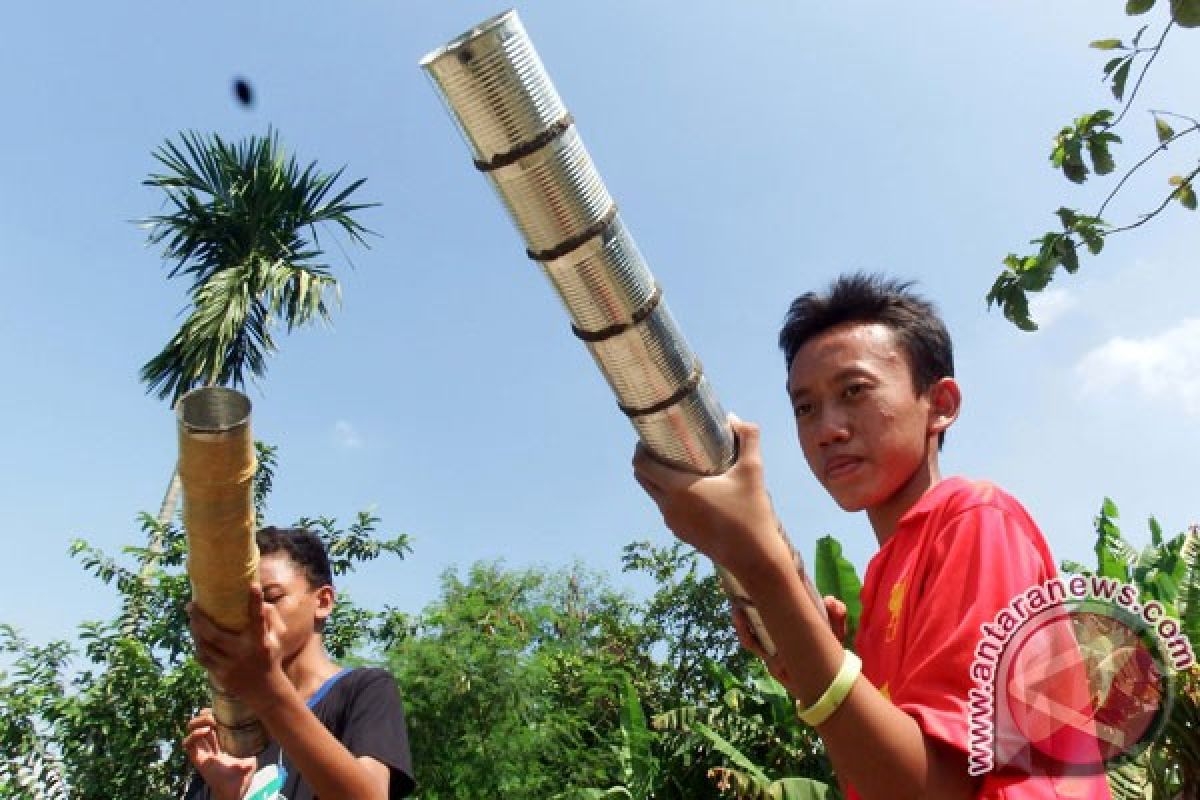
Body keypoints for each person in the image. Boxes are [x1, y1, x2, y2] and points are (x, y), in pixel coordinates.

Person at [632, 273, 1111, 799]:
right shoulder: (883, 577)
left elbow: (934, 789)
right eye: (805, 407)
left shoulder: (974, 517)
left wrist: (762, 566)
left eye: (854, 391)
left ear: (941, 404)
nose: (827, 429)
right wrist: (805, 652)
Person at [182, 526, 416, 800]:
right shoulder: (230, 732)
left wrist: (267, 690)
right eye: (245, 605)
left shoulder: (363, 690)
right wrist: (226, 793)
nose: (255, 615)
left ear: (323, 601)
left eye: (271, 598)